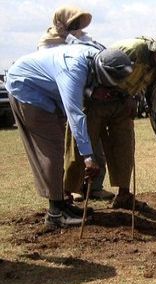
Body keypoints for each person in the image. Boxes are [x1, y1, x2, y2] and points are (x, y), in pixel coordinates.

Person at [5, 43, 133, 227]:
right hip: (26, 89)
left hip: (45, 92)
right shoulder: (73, 70)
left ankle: (62, 205)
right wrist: (88, 157)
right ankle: (56, 214)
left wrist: (92, 91)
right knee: (52, 151)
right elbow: (75, 114)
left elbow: (83, 88)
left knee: (56, 147)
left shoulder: (99, 58)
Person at [63, 35, 156, 211]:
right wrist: (92, 92)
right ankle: (66, 196)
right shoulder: (132, 51)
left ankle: (124, 195)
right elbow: (93, 70)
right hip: (95, 101)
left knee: (125, 147)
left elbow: (151, 94)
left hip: (122, 105)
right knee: (79, 146)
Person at [38, 5, 113, 201]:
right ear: (61, 22)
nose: (77, 25)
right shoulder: (48, 44)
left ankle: (95, 187)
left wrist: (92, 91)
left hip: (89, 102)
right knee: (71, 149)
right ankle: (71, 188)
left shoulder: (85, 41)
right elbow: (63, 77)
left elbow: (94, 65)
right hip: (62, 103)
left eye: (78, 21)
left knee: (95, 146)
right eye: (73, 21)